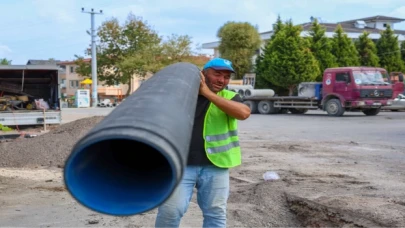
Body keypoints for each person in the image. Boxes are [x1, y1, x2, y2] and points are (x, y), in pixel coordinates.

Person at [155, 58, 251, 228]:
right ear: (203, 73)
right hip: (180, 165)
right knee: (170, 211)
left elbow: (243, 113)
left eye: (226, 77)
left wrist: (207, 93)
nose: (222, 80)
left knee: (215, 212)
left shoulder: (230, 97)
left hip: (216, 165)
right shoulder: (182, 96)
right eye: (217, 74)